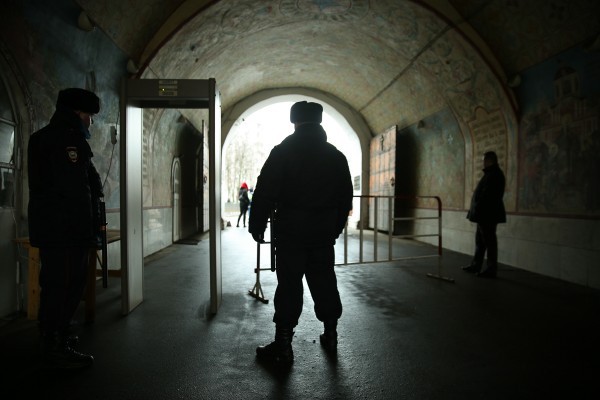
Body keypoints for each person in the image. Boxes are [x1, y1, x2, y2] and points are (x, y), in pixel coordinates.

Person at [248, 101, 353, 364]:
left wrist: (257, 224)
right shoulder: (336, 156)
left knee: (289, 286)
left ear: (294, 121)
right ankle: (331, 335)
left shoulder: (283, 152)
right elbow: (345, 198)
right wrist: (334, 229)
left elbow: (264, 190)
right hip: (322, 234)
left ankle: (284, 346)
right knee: (325, 282)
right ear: (319, 122)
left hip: (291, 233)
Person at [27, 88, 103, 369]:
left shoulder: (47, 138)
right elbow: (75, 192)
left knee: (60, 285)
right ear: (77, 114)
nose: (90, 122)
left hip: (59, 230)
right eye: (89, 116)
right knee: (64, 286)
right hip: (66, 231)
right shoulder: (66, 142)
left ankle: (57, 338)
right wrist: (89, 231)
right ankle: (55, 347)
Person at [463, 151, 506, 278]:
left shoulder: (495, 175)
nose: (483, 162)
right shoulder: (491, 174)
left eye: (484, 160)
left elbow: (488, 196)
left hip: (488, 214)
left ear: (489, 160)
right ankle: (476, 265)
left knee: (489, 242)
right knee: (480, 242)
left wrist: (478, 207)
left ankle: (491, 269)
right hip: (483, 214)